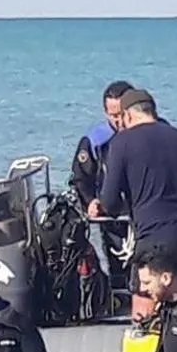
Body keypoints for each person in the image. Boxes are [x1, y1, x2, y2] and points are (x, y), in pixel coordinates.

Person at [91, 87, 177, 286]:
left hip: (153, 236)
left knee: (144, 305)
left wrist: (104, 206)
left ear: (128, 115)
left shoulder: (122, 142)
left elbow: (110, 203)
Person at [70, 80, 134, 286]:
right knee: (119, 269)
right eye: (113, 115)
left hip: (148, 213)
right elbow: (80, 178)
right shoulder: (95, 140)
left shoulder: (153, 133)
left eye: (121, 114)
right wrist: (89, 202)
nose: (118, 120)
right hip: (113, 217)